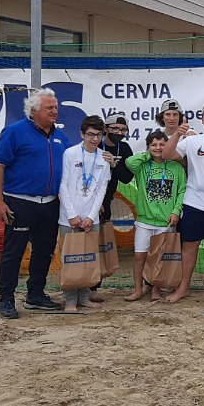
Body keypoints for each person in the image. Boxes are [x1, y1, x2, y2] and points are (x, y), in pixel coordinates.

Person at [0, 88, 72, 318]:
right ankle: (6, 299)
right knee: (13, 252)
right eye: (49, 108)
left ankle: (35, 294)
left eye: (56, 107)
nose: (54, 111)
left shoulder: (60, 136)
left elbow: (73, 161)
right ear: (34, 110)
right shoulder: (14, 132)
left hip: (51, 203)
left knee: (44, 251)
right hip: (20, 202)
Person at [162, 102, 204, 303]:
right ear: (202, 120)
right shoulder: (192, 141)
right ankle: (183, 288)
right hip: (194, 202)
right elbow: (167, 155)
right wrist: (177, 134)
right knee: (189, 246)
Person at [58, 115, 113, 313]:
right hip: (69, 217)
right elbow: (63, 184)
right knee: (70, 259)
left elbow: (101, 189)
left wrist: (91, 217)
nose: (94, 139)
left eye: (98, 135)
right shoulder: (70, 154)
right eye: (90, 134)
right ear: (82, 134)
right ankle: (70, 299)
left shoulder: (104, 158)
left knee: (88, 258)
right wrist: (72, 214)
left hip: (91, 218)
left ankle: (84, 296)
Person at [123, 131, 186, 302]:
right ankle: (138, 289)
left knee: (159, 258)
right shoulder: (142, 166)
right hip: (144, 221)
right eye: (154, 145)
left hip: (166, 222)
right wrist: (147, 154)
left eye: (162, 145)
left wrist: (176, 211)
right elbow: (129, 162)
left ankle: (155, 290)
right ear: (148, 147)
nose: (158, 148)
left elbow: (182, 191)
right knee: (140, 256)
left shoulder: (176, 167)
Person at [91, 113, 134, 302]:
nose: (119, 132)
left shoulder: (124, 148)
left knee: (99, 244)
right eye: (115, 128)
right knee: (84, 243)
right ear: (106, 129)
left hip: (106, 202)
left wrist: (114, 164)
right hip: (87, 200)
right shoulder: (94, 144)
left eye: (123, 130)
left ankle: (93, 288)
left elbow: (127, 178)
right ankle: (78, 285)